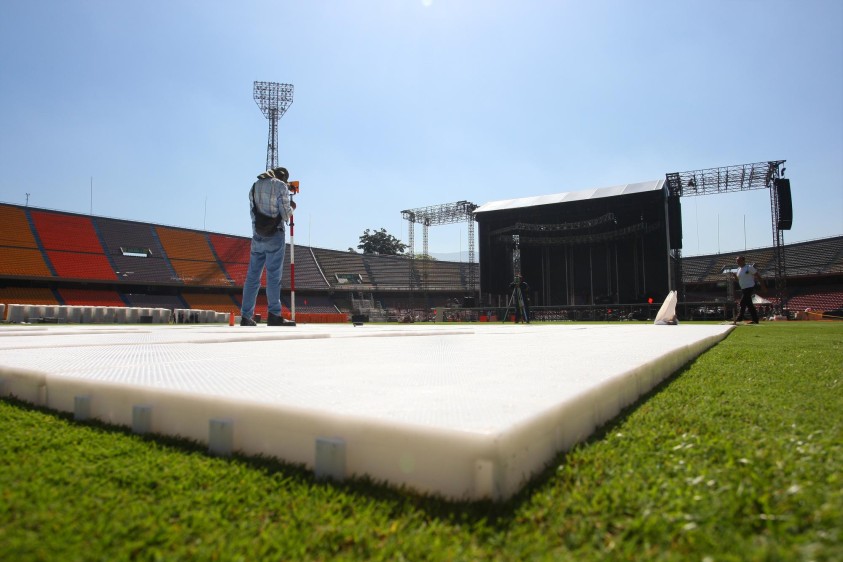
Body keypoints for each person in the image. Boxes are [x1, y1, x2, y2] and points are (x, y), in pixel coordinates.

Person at [240, 166, 296, 327]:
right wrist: (293, 207)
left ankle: (246, 316)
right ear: (283, 178)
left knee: (252, 277)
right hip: (275, 235)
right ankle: (273, 314)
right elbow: (285, 214)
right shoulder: (280, 185)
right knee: (273, 276)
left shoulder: (254, 186)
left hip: (257, 235)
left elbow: (253, 213)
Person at [733, 255, 763, 324]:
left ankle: (740, 318)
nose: (737, 262)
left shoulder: (749, 267)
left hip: (750, 287)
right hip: (743, 288)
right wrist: (735, 277)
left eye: (739, 260)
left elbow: (757, 275)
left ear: (743, 261)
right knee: (749, 304)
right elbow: (738, 280)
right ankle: (755, 320)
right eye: (737, 261)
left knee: (742, 302)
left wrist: (762, 286)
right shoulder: (738, 269)